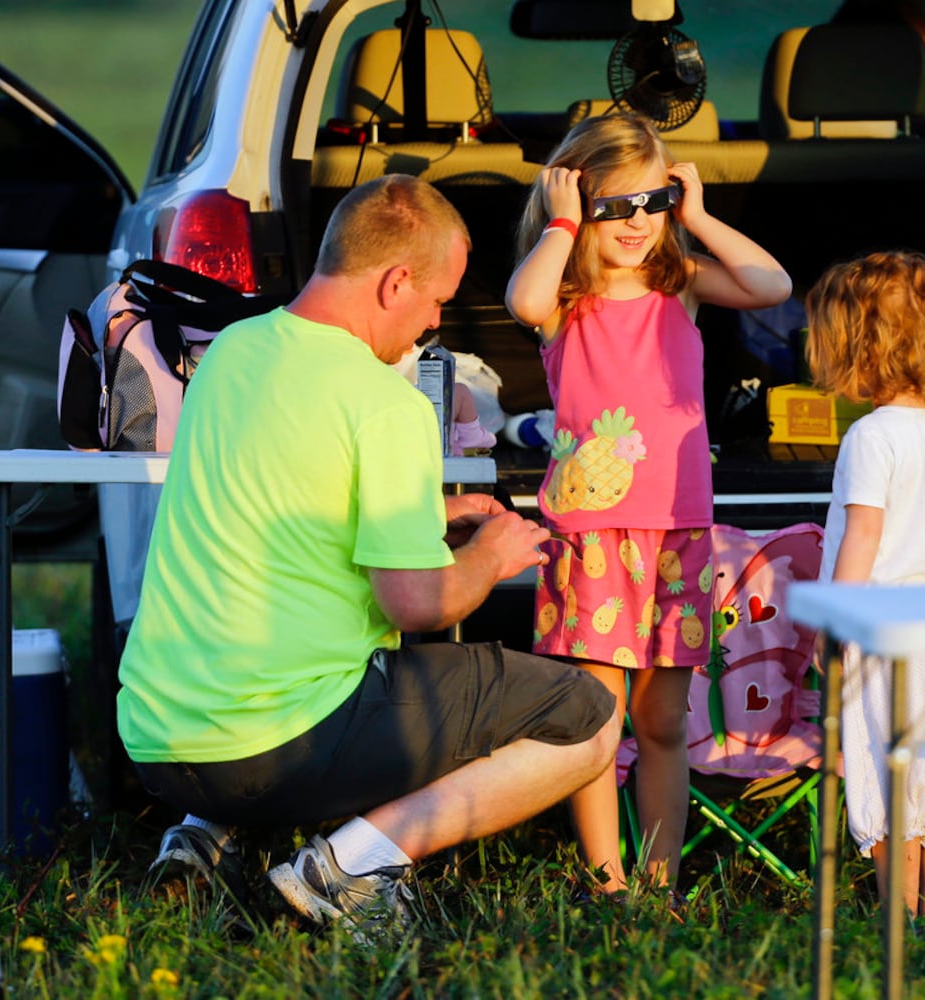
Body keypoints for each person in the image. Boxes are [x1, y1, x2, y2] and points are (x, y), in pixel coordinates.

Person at [116, 174, 619, 932]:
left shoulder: (233, 354)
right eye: (437, 299)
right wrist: (493, 552)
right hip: (274, 747)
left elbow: (276, 501)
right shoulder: (383, 400)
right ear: (395, 282)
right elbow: (416, 603)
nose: (433, 321)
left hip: (157, 736)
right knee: (587, 718)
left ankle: (204, 837)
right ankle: (349, 866)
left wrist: (427, 512)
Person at [504, 113, 792, 894]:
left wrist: (695, 217)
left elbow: (773, 286)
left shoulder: (680, 283)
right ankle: (609, 885)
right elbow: (523, 300)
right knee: (596, 725)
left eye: (651, 203)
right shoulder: (564, 295)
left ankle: (660, 883)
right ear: (578, 204)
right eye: (613, 207)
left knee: (664, 721)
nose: (635, 224)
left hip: (677, 533)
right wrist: (563, 219)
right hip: (591, 536)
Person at [805, 249, 925, 916]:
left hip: (880, 631)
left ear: (858, 348)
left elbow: (864, 537)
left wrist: (835, 627)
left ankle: (898, 919)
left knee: (890, 774)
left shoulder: (871, 438)